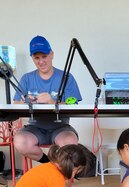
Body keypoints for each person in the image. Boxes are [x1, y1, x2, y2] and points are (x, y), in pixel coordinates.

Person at [13, 35, 82, 163]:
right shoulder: (26, 78)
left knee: (70, 143)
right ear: (32, 58)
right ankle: (49, 163)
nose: (41, 61)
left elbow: (73, 103)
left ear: (52, 54)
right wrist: (25, 102)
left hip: (61, 126)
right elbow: (16, 102)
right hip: (34, 128)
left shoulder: (66, 77)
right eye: (36, 58)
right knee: (19, 142)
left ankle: (59, 170)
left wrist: (52, 102)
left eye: (44, 57)